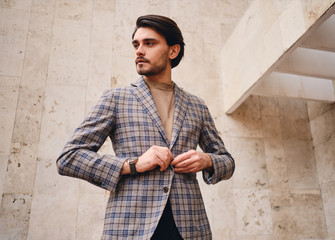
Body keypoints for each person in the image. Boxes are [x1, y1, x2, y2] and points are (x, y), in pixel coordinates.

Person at [56, 15, 235, 240]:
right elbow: (69, 158)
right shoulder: (116, 99)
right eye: (136, 45)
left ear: (173, 51)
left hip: (189, 228)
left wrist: (207, 161)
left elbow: (227, 161)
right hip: (131, 227)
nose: (139, 51)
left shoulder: (196, 105)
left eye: (149, 43)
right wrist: (133, 165)